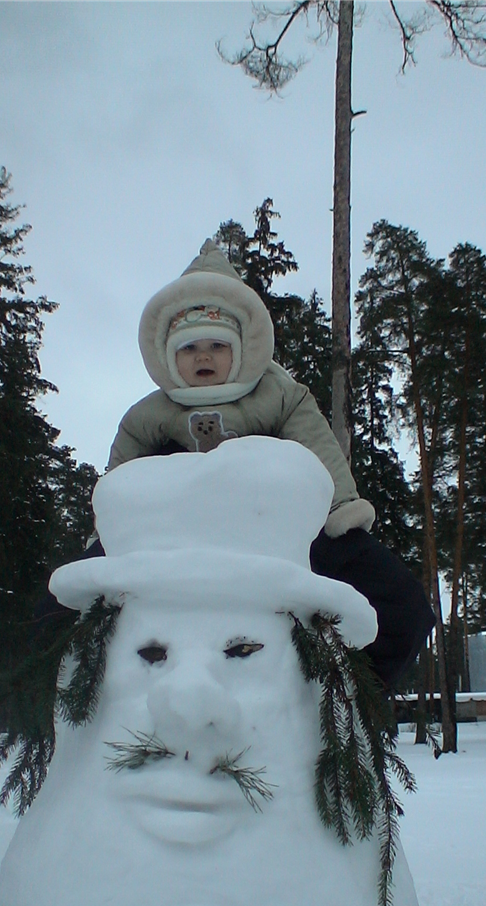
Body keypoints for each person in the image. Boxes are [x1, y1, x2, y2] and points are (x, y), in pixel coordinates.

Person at [96, 240, 434, 689]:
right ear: (168, 355)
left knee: (403, 606)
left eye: (217, 344)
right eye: (189, 346)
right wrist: (108, 535)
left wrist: (339, 512)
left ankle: (349, 701)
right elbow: (121, 476)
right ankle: (96, 706)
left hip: (276, 525)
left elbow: (317, 449)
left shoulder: (279, 394)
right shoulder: (149, 414)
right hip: (175, 533)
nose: (203, 356)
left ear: (242, 349)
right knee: (61, 611)